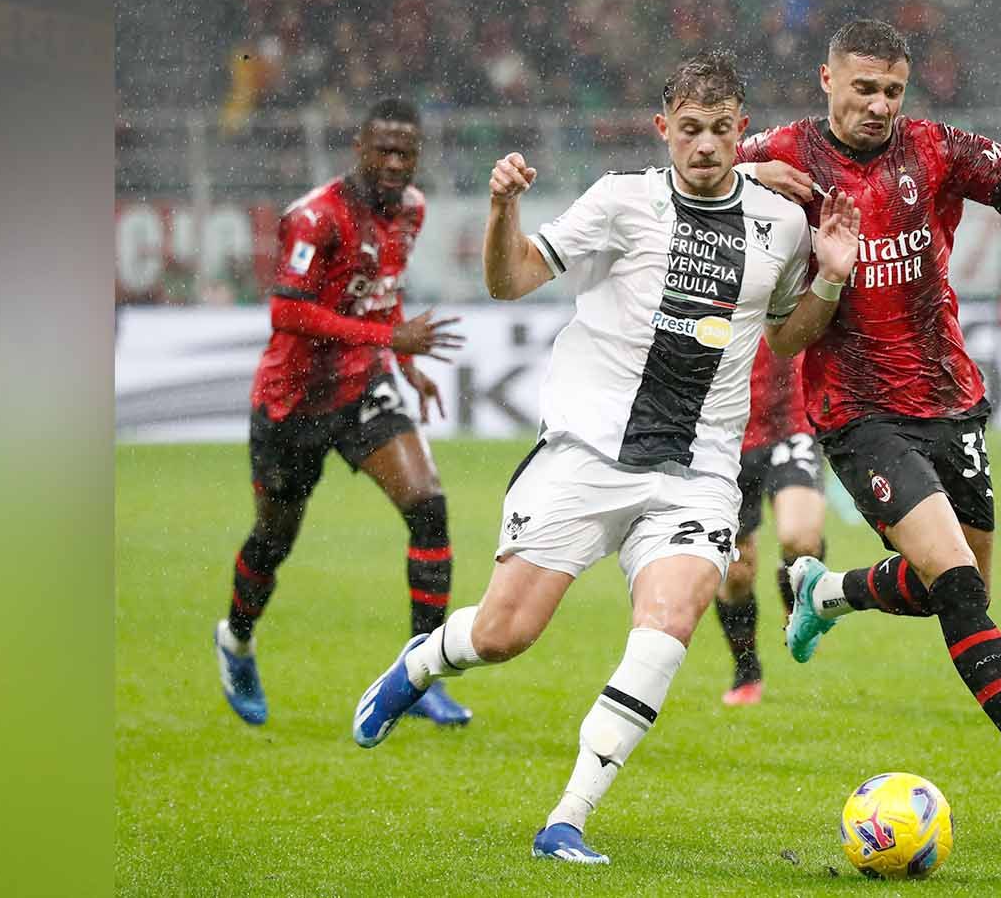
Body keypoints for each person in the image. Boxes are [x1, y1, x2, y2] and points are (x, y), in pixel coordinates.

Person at [351, 51, 862, 865]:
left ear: (740, 129)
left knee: (666, 630)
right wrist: (500, 210)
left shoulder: (782, 222)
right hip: (587, 454)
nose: (705, 145)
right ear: (664, 130)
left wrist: (829, 282)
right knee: (505, 632)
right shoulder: (622, 201)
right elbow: (510, 280)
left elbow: (785, 337)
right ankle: (422, 661)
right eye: (689, 130)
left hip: (698, 472)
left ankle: (568, 818)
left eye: (721, 130)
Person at [737, 18, 1001, 832]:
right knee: (960, 586)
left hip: (951, 396)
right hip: (857, 413)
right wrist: (751, 179)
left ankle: (826, 590)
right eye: (863, 88)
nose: (879, 105)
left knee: (955, 592)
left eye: (892, 90)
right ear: (828, 82)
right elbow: (695, 173)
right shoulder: (782, 153)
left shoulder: (936, 149)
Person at [214, 98, 471, 728]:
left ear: (417, 158)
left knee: (428, 508)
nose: (393, 162)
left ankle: (419, 675)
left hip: (361, 389)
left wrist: (404, 364)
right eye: (381, 149)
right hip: (291, 400)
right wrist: (391, 341)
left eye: (404, 153)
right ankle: (237, 641)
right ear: (358, 147)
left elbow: (380, 290)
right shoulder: (316, 217)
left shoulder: (411, 209)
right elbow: (287, 313)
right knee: (274, 540)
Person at [714, 340, 826, 705]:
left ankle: (798, 594)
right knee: (736, 574)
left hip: (792, 424)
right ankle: (746, 669)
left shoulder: (790, 282)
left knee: (801, 538)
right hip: (727, 434)